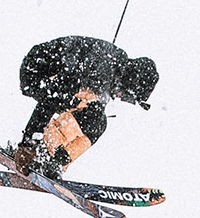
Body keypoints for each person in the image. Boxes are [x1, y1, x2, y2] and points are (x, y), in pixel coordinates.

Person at [14, 35, 158, 178]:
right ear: (130, 82)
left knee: (95, 119)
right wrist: (28, 143)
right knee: (92, 115)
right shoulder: (102, 67)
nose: (122, 98)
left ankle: (53, 160)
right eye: (127, 96)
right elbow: (53, 97)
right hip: (36, 71)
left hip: (58, 83)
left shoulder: (111, 74)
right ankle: (42, 148)